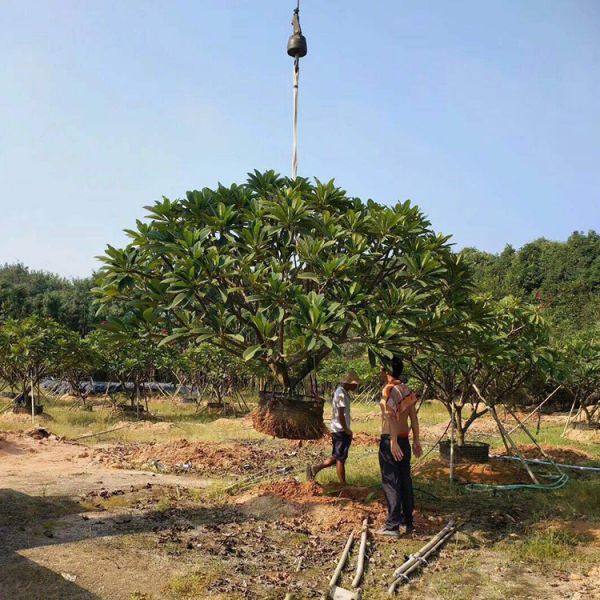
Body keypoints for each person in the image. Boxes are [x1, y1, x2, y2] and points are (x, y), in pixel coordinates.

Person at [376, 356, 422, 537]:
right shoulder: (406, 390)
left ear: (386, 371)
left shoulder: (388, 390)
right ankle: (407, 520)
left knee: (391, 481)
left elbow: (390, 416)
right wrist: (416, 440)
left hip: (391, 441)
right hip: (404, 439)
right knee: (405, 480)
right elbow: (414, 418)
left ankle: (392, 525)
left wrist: (393, 441)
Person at [306, 371, 360, 485]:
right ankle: (343, 484)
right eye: (355, 384)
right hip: (340, 430)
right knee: (340, 458)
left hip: (339, 429)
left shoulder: (343, 392)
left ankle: (315, 469)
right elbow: (340, 414)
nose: (356, 386)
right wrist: (346, 429)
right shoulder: (340, 393)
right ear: (349, 383)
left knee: (337, 456)